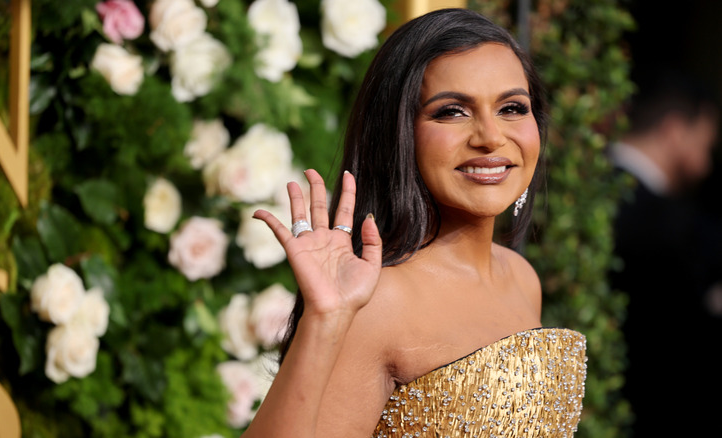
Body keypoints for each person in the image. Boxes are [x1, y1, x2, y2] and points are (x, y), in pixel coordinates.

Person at [245, 9, 587, 437]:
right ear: (399, 133)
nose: (490, 137)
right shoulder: (375, 301)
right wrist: (326, 319)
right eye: (452, 112)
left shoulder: (521, 278)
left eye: (512, 107)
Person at [609, 73, 722, 436]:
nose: (706, 165)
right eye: (705, 146)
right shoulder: (674, 224)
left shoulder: (573, 188)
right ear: (674, 130)